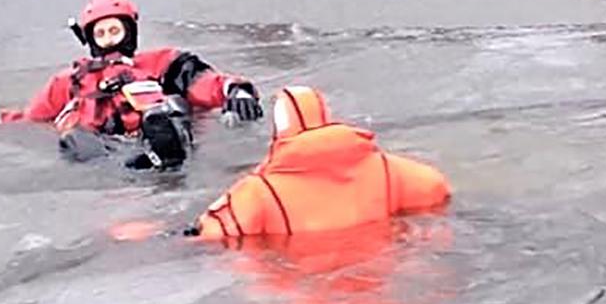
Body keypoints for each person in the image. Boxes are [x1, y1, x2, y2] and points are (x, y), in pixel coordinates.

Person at [0, 0, 264, 168]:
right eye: (101, 32)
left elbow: (205, 83)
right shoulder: (69, 81)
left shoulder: (163, 63)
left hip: (162, 136)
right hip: (109, 151)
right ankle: (128, 165)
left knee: (166, 107)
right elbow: (31, 119)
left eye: (116, 30)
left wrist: (237, 91)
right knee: (72, 133)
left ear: (130, 31)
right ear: (90, 39)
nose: (110, 39)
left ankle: (164, 150)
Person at [187, 85, 450, 240]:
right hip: (379, 289)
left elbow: (210, 234)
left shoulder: (259, 193)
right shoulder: (386, 169)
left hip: (301, 298)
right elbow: (435, 187)